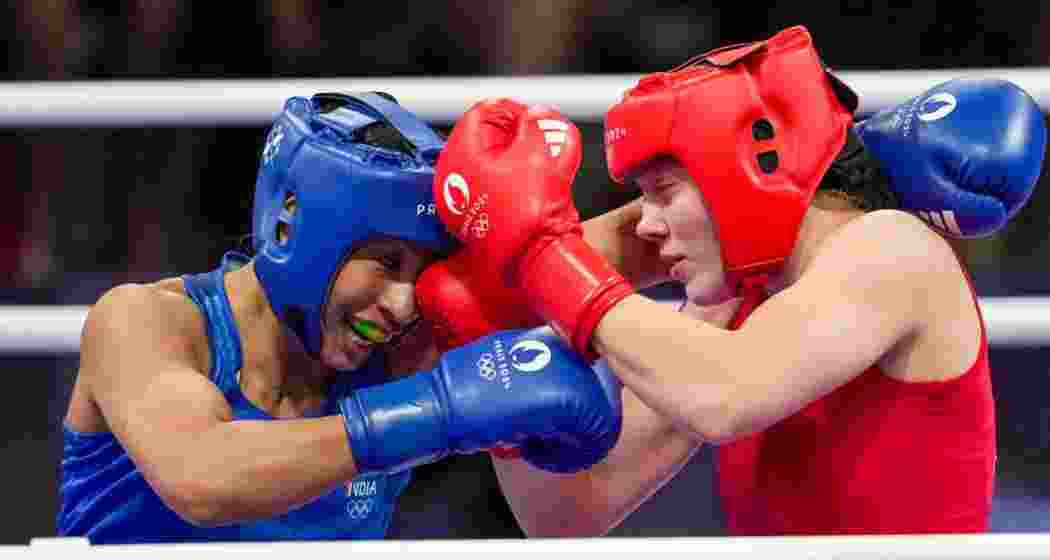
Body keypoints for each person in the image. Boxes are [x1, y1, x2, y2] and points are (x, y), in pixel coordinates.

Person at [416, 25, 1046, 535]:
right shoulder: (741, 302)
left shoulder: (895, 251)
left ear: (747, 169)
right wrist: (500, 327)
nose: (651, 226)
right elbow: (563, 516)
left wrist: (536, 256)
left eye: (663, 192)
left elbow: (723, 394)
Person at [57, 92, 622, 543]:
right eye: (385, 261)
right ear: (291, 228)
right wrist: (438, 414)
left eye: (421, 271)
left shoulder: (399, 348)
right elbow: (201, 475)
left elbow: (619, 246)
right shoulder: (146, 323)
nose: (403, 304)